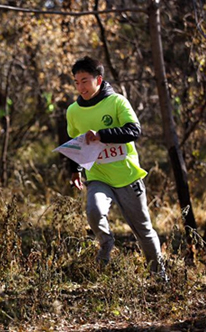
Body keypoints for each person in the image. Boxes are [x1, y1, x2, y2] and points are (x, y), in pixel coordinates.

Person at [66, 56, 167, 279]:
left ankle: (159, 275)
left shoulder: (117, 102)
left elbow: (134, 130)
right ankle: (106, 244)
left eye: (85, 81)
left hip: (127, 177)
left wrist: (102, 135)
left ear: (98, 80)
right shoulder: (73, 111)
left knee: (143, 230)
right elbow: (75, 144)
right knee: (94, 212)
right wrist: (75, 170)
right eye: (76, 82)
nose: (80, 87)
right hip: (98, 176)